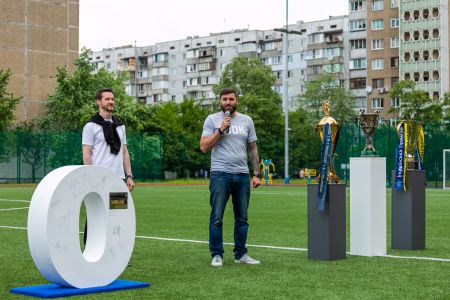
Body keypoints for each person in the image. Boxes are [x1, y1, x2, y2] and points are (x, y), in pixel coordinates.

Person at [200, 88, 261, 267]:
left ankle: (240, 254)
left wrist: (256, 173)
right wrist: (220, 130)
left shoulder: (247, 120)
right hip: (220, 175)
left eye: (231, 99)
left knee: (242, 218)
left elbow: (253, 148)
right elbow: (203, 147)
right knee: (217, 217)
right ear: (220, 101)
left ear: (237, 101)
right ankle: (217, 254)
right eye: (225, 99)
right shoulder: (212, 120)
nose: (228, 102)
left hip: (242, 175)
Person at [82, 88, 135, 244]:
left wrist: (129, 176)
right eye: (107, 99)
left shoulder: (120, 126)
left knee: (118, 216)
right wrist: (89, 176)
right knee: (95, 215)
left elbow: (124, 152)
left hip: (117, 180)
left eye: (112, 99)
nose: (111, 101)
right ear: (98, 102)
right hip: (98, 179)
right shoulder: (90, 126)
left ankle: (115, 252)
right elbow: (87, 153)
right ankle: (89, 249)